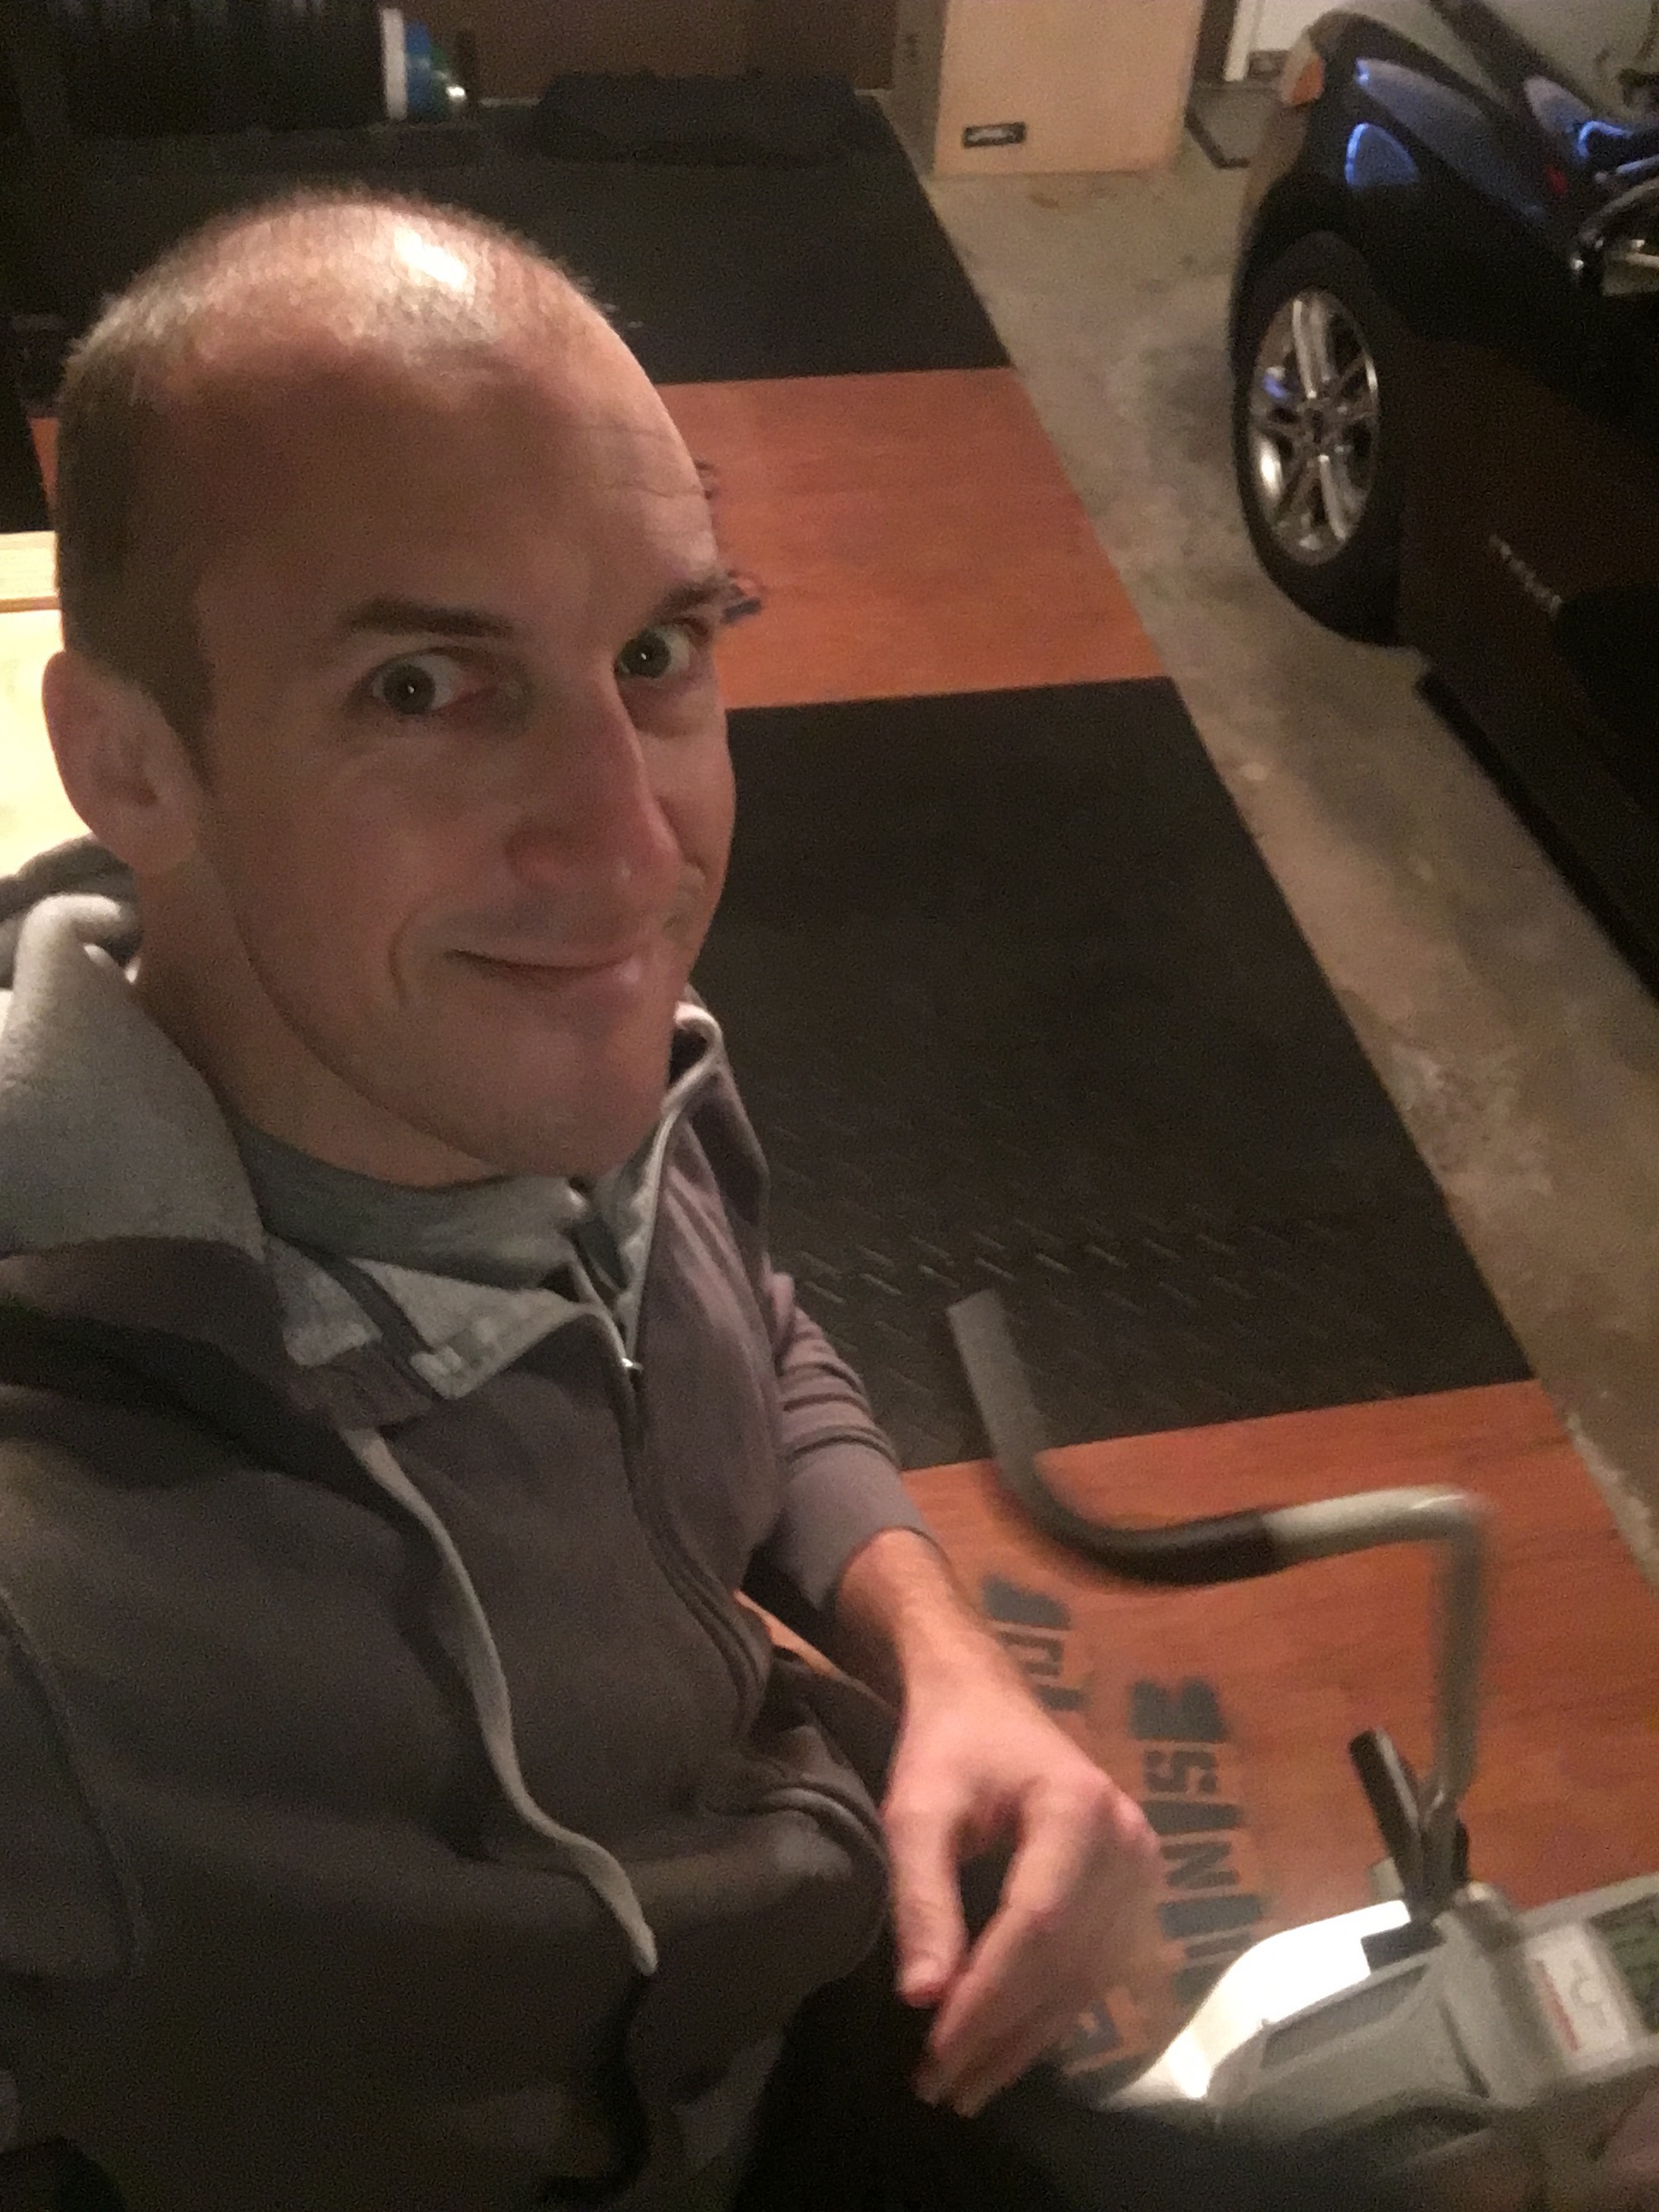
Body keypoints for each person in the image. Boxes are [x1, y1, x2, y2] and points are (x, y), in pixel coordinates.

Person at [0, 190, 1413, 2212]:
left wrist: (937, 1648)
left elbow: (737, 1308)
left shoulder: (599, 1071)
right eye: (422, 686)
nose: (631, 846)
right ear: (130, 764)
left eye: (657, 653)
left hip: (822, 1996)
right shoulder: (47, 1595)